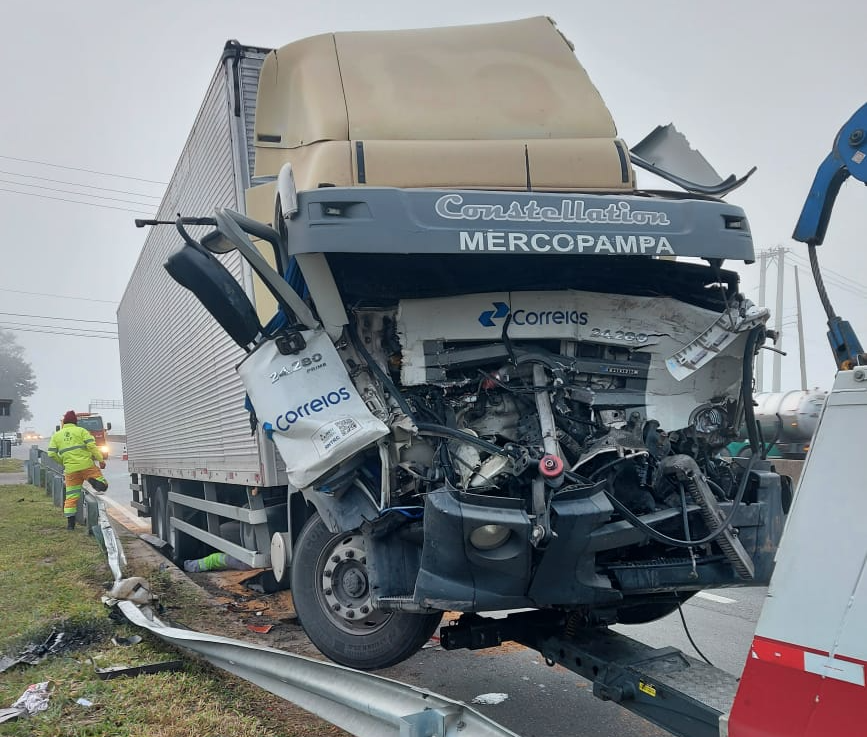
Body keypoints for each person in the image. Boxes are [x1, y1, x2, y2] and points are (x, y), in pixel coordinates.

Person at [47, 410, 108, 530]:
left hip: (71, 470)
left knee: (71, 497)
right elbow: (92, 446)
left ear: (64, 422)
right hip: (87, 467)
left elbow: (51, 454)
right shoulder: (82, 431)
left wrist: (63, 462)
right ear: (75, 422)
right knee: (103, 485)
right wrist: (101, 460)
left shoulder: (57, 435)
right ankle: (93, 481)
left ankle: (70, 525)